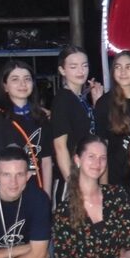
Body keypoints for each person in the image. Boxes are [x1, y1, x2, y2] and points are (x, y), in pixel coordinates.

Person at [94, 49, 130, 186]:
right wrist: (104, 186)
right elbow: (102, 148)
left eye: (128, 67)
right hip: (117, 177)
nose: (123, 72)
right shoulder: (104, 103)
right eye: (118, 67)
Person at [0, 60, 52, 195]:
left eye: (27, 79)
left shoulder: (41, 117)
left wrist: (46, 195)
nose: (22, 84)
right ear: (5, 86)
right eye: (15, 79)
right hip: (11, 189)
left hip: (37, 188)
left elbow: (46, 160)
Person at [49, 45, 101, 190]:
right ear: (62, 70)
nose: (81, 71)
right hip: (71, 178)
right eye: (73, 67)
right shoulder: (63, 100)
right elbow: (60, 147)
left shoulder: (80, 99)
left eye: (84, 66)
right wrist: (73, 185)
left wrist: (97, 103)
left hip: (87, 174)